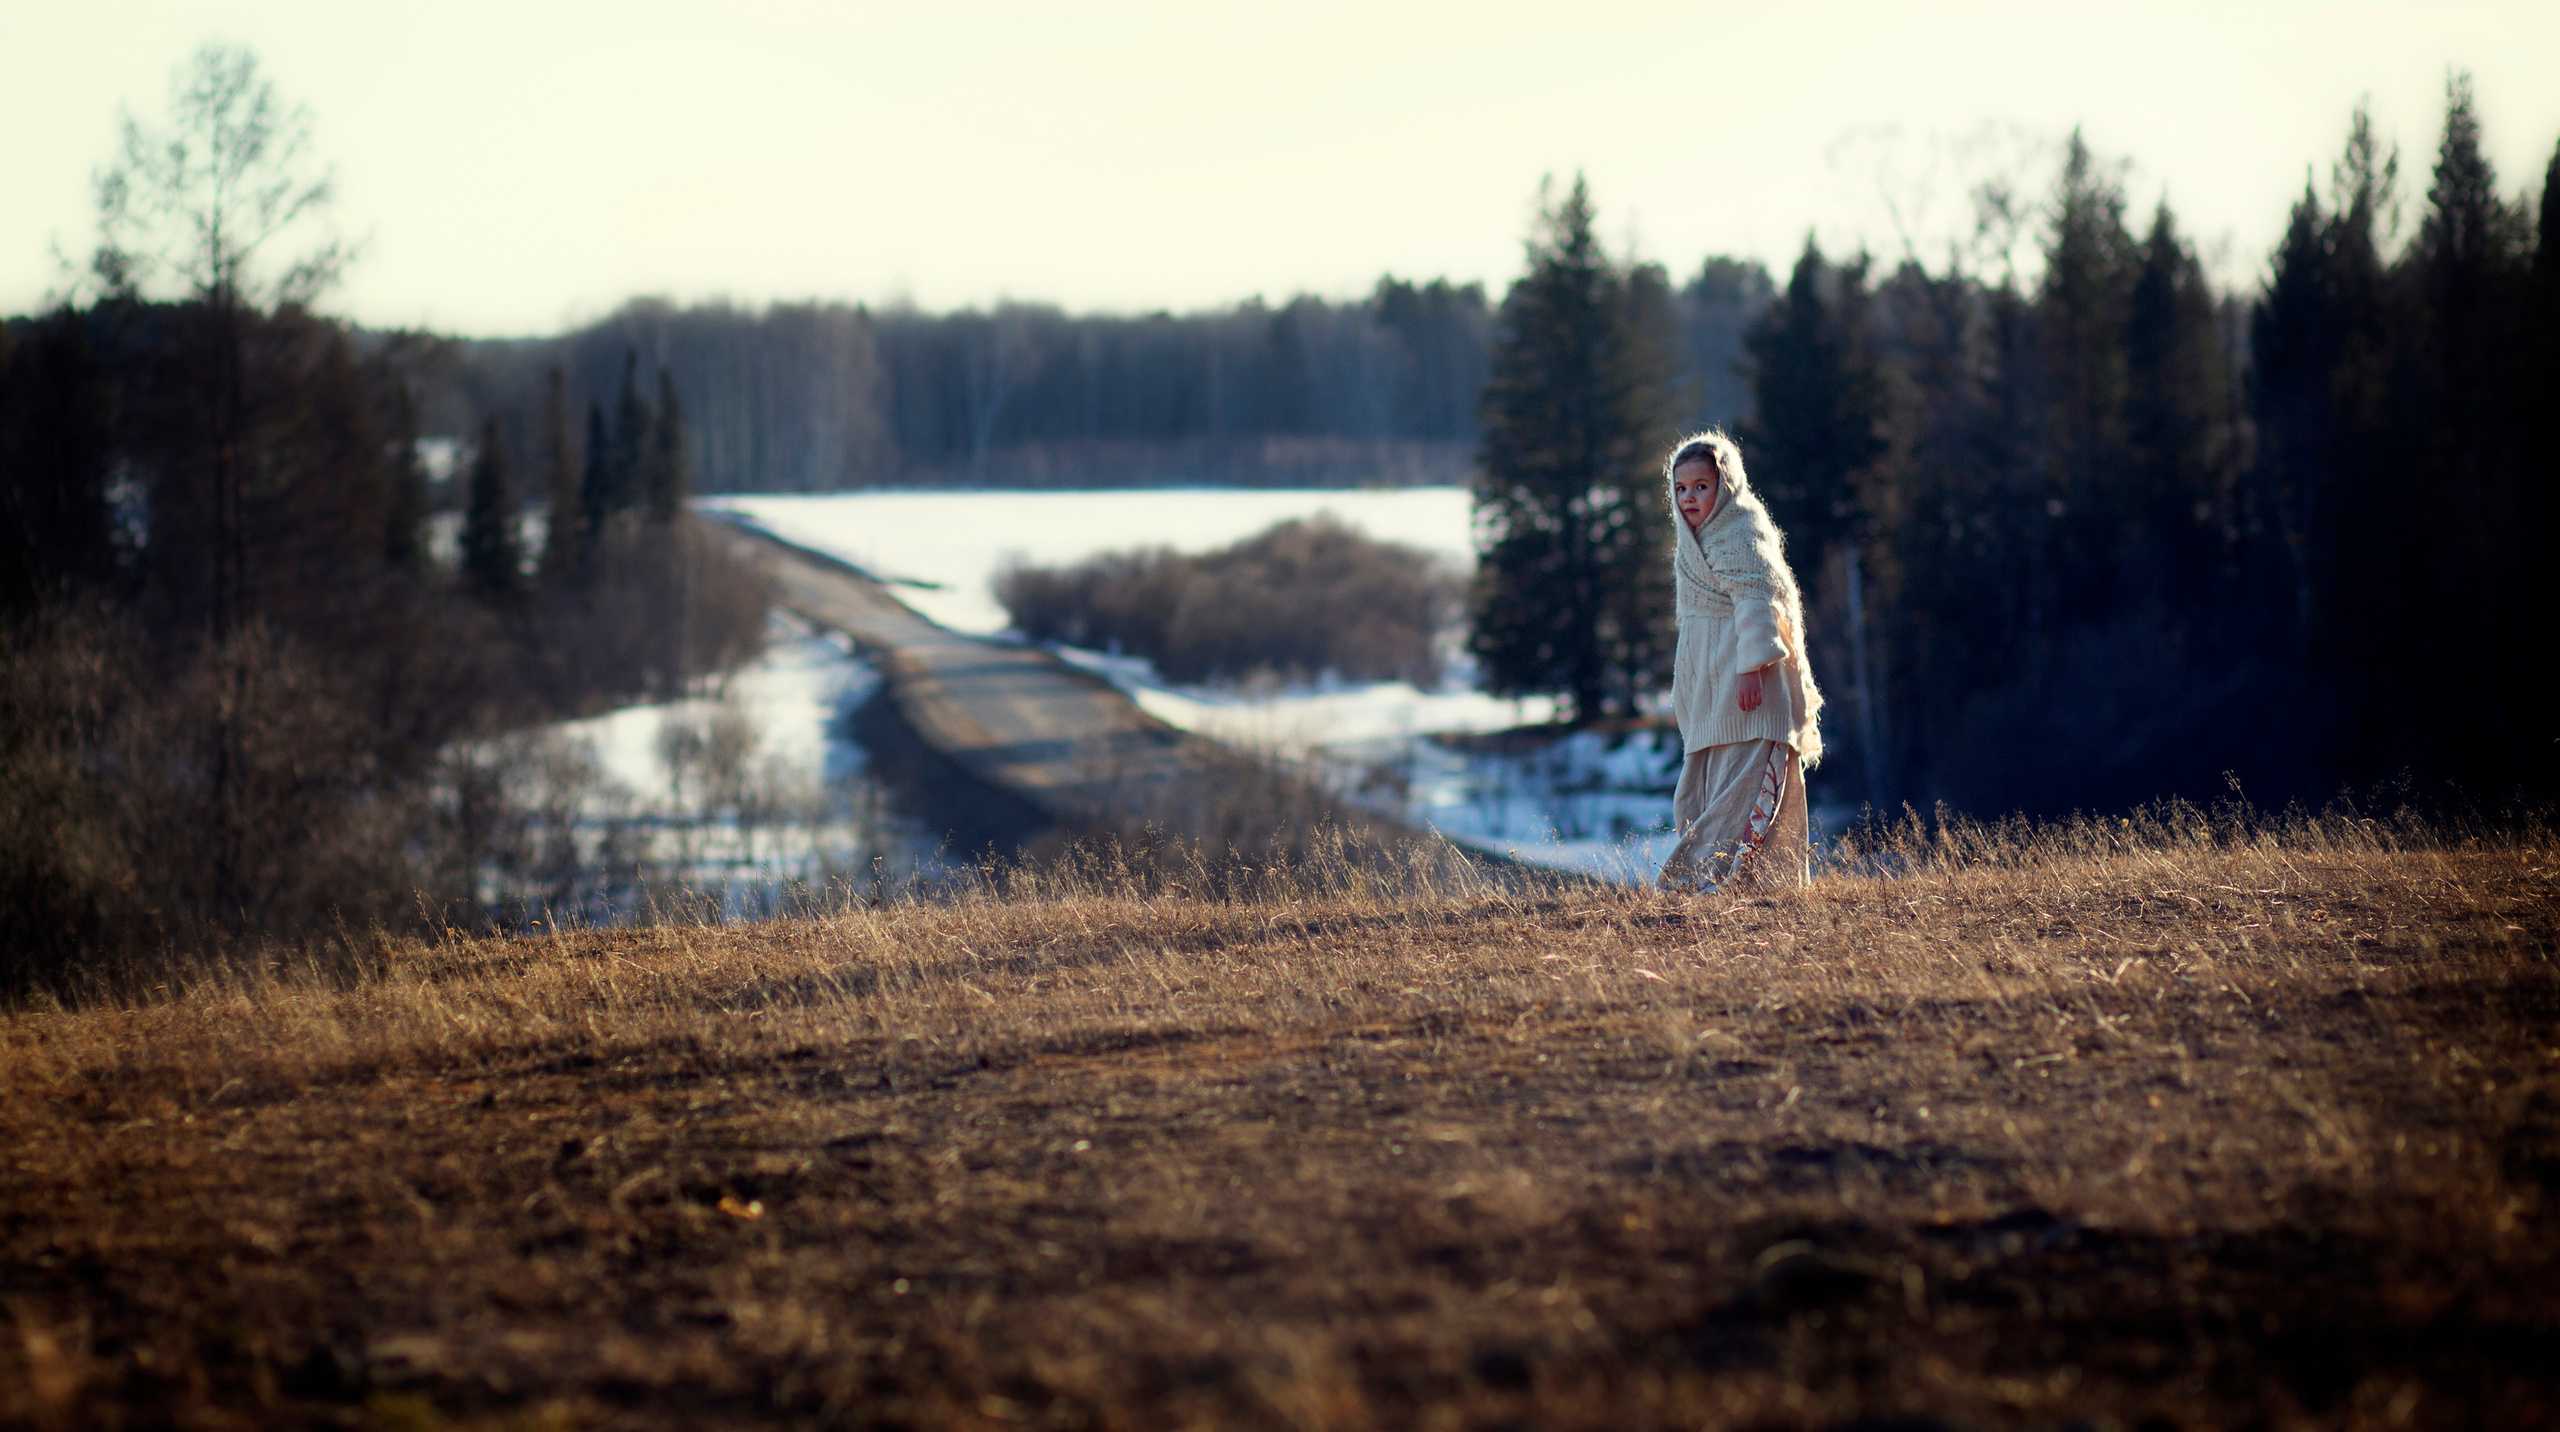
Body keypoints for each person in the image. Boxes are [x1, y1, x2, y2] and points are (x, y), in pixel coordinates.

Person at [1656, 431, 1823, 891]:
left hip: (1747, 687)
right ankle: (1751, 887)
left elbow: (1757, 599)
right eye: (1681, 488)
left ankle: (1687, 883)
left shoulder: (1741, 530)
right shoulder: (1694, 540)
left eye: (1701, 486)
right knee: (1708, 790)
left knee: (1744, 790)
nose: (1690, 497)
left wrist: (1751, 669)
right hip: (1710, 691)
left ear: (1726, 485)